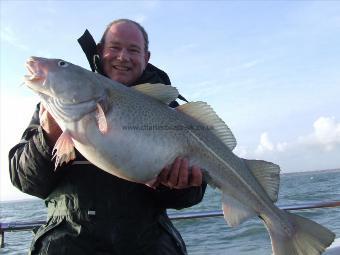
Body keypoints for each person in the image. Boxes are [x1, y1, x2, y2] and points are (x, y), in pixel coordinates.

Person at [9, 19, 207, 255]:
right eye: (114, 47)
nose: (123, 56)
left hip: (149, 246)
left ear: (147, 57)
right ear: (100, 51)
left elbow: (191, 195)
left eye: (133, 50)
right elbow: (25, 181)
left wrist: (176, 185)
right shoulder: (53, 108)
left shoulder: (171, 111)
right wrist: (48, 137)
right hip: (67, 246)